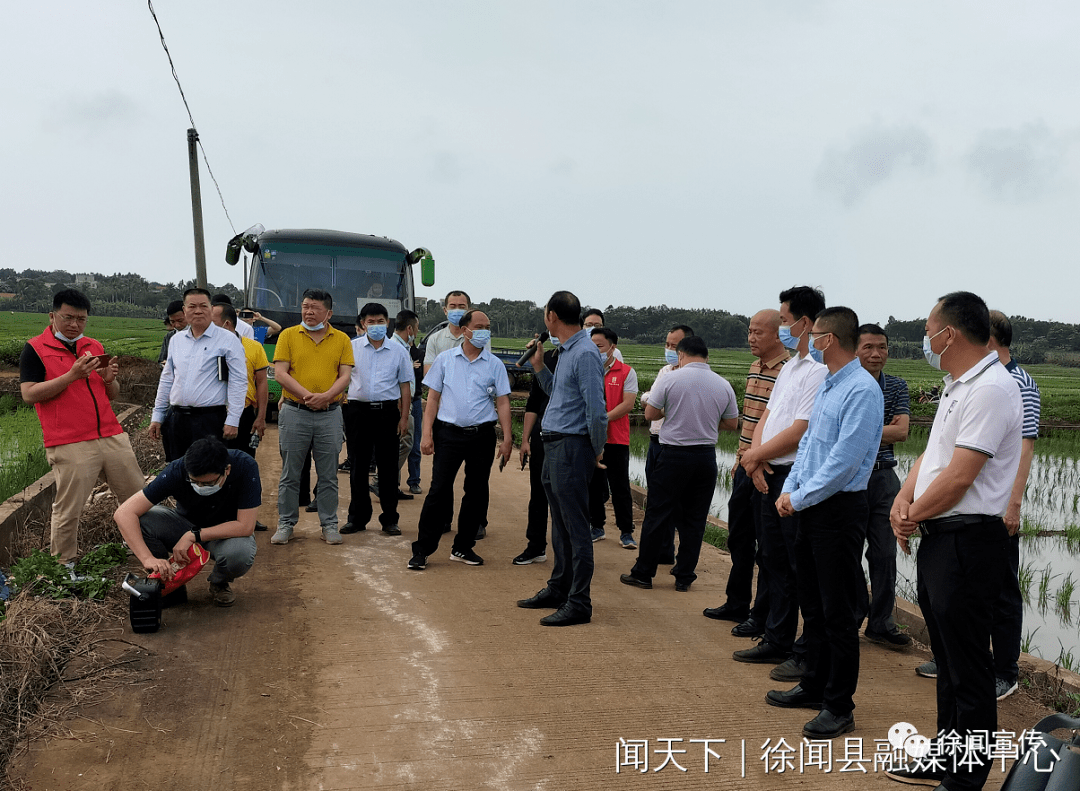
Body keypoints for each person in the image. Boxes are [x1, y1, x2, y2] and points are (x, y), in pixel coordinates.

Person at [888, 291, 1022, 791]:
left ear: (949, 334)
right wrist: (904, 500)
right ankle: (946, 757)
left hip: (970, 540)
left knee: (968, 665)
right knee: (948, 661)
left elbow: (963, 476)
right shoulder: (957, 386)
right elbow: (933, 457)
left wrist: (911, 517)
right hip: (944, 537)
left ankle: (966, 777)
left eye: (928, 330)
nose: (926, 339)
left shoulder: (990, 389)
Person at [764, 307, 883, 741]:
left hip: (838, 511)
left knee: (836, 612)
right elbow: (811, 445)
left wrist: (799, 496)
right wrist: (790, 489)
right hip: (808, 506)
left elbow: (843, 462)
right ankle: (814, 683)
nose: (808, 339)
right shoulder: (829, 385)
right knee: (811, 604)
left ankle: (839, 705)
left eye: (814, 333)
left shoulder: (862, 391)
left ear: (829, 339)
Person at [916, 311, 1040, 698]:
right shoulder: (960, 382)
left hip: (989, 512)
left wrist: (1013, 503)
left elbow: (1025, 446)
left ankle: (1004, 670)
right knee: (954, 605)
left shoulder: (1015, 383)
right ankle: (953, 657)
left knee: (1001, 592)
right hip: (953, 520)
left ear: (988, 339)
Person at [733, 286, 827, 667]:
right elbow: (768, 418)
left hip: (791, 474)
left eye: (785, 320)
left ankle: (794, 645)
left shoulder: (819, 372)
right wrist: (755, 460)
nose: (783, 326)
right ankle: (775, 636)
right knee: (771, 557)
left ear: (805, 324)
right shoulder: (792, 368)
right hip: (767, 471)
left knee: (793, 564)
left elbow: (802, 427)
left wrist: (755, 456)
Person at [19, 289, 146, 565]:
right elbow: (29, 394)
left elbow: (110, 394)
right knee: (68, 510)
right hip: (70, 441)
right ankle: (64, 567)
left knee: (139, 497)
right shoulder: (35, 349)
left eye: (81, 319)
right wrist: (71, 375)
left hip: (111, 435)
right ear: (53, 316)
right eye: (68, 318)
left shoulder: (94, 346)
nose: (75, 324)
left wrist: (110, 379)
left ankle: (147, 550)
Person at [620, 335, 738, 591]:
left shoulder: (670, 379)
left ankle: (644, 573)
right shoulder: (723, 383)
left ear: (682, 355)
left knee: (658, 514)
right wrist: (704, 422)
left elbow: (650, 414)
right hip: (706, 457)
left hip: (673, 455)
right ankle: (684, 576)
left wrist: (675, 413)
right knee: (695, 519)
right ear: (707, 357)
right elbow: (731, 423)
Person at [517, 291, 607, 626]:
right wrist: (539, 367)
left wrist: (596, 449)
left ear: (552, 316)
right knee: (561, 527)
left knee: (576, 529)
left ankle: (579, 602)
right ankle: (559, 588)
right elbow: (560, 394)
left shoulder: (584, 353)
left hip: (572, 447)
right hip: (554, 445)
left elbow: (596, 411)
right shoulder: (566, 351)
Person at [703, 309, 788, 631]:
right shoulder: (754, 367)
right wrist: (741, 461)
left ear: (779, 335)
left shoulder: (787, 371)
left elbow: (783, 427)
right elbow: (750, 424)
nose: (751, 338)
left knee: (768, 547)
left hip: (766, 468)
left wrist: (757, 460)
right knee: (738, 538)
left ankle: (761, 614)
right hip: (744, 465)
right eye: (750, 332)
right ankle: (736, 602)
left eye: (758, 332)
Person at [407, 310, 512, 570]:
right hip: (449, 434)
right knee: (439, 491)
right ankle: (422, 549)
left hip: (482, 435)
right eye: (479, 326)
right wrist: (427, 432)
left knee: (475, 492)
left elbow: (502, 402)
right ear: (465, 330)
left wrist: (508, 438)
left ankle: (463, 547)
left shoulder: (494, 364)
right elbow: (432, 398)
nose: (484, 331)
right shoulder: (445, 360)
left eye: (487, 326)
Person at [113, 437, 258, 607]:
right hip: (183, 525)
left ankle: (219, 582)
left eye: (208, 483)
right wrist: (147, 559)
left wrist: (194, 536)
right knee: (143, 519)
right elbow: (123, 513)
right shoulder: (177, 470)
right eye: (194, 482)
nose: (200, 487)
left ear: (227, 470)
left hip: (224, 533)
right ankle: (166, 582)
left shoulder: (245, 466)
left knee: (240, 553)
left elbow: (246, 526)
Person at [270, 289, 354, 546]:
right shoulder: (288, 335)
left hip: (330, 415)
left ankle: (329, 524)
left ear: (328, 313)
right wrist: (310, 396)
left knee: (328, 474)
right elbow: (281, 373)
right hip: (296, 413)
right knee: (290, 473)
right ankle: (286, 523)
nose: (308, 311)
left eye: (315, 307)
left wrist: (326, 397)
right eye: (305, 306)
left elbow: (345, 376)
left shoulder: (341, 339)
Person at [849, 324, 912, 647]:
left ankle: (881, 621)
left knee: (885, 553)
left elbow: (901, 432)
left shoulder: (897, 386)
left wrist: (859, 429)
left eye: (883, 347)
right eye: (868, 347)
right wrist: (881, 429)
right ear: (854, 350)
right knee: (847, 551)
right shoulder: (844, 385)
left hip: (885, 477)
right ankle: (854, 611)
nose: (876, 354)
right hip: (851, 478)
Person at [149, 288, 247, 462]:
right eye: (192, 306)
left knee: (208, 471)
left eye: (203, 305)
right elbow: (167, 379)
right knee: (177, 470)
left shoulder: (228, 340)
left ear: (211, 308)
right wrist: (158, 416)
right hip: (177, 419)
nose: (198, 310)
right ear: (185, 310)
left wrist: (233, 419)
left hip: (210, 420)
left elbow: (238, 381)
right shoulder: (176, 341)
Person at [341, 303, 412, 536]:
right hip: (357, 412)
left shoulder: (399, 351)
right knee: (358, 467)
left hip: (387, 413)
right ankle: (357, 518)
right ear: (363, 324)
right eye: (370, 322)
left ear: (388, 322)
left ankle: (390, 519)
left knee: (388, 468)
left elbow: (405, 387)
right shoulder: (350, 348)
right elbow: (341, 379)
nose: (375, 326)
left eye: (380, 321)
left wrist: (403, 418)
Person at [639, 324, 695, 564]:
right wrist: (653, 401)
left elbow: (655, 404)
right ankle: (663, 551)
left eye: (675, 346)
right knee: (656, 500)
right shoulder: (665, 371)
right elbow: (650, 401)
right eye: (667, 344)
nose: (670, 350)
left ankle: (678, 558)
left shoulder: (692, 376)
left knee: (679, 505)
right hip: (656, 441)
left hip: (675, 446)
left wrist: (653, 402)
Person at [588, 327, 638, 547]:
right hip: (591, 438)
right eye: (592, 346)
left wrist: (601, 419)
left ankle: (626, 531)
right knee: (593, 485)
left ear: (612, 347)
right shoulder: (587, 370)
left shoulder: (627, 372)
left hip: (616, 439)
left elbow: (627, 404)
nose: (595, 350)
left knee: (620, 488)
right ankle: (596, 527)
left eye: (599, 346)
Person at [514, 344, 560, 566]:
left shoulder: (583, 358)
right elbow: (534, 401)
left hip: (569, 437)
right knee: (539, 492)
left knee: (567, 497)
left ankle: (569, 552)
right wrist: (525, 439)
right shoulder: (546, 358)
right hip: (543, 433)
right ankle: (535, 546)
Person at [211, 303, 269, 457]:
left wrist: (261, 417)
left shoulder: (254, 348)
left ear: (227, 324)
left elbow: (262, 383)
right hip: (211, 414)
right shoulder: (206, 347)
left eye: (212, 323)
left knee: (241, 461)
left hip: (243, 414)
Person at [423, 290, 490, 374]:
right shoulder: (434, 339)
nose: (457, 310)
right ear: (445, 310)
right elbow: (428, 371)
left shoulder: (479, 337)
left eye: (461, 307)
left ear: (469, 310)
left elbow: (484, 368)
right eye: (452, 306)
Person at [398, 309, 426, 496]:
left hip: (414, 400)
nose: (417, 332)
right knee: (402, 444)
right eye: (416, 328)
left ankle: (413, 480)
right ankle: (385, 481)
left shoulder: (412, 350)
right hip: (401, 403)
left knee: (413, 444)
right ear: (410, 329)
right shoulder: (396, 349)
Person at [158, 300, 187, 367]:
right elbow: (161, 360)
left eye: (180, 321)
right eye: (172, 322)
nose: (177, 325)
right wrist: (164, 365)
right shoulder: (169, 337)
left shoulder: (199, 335)